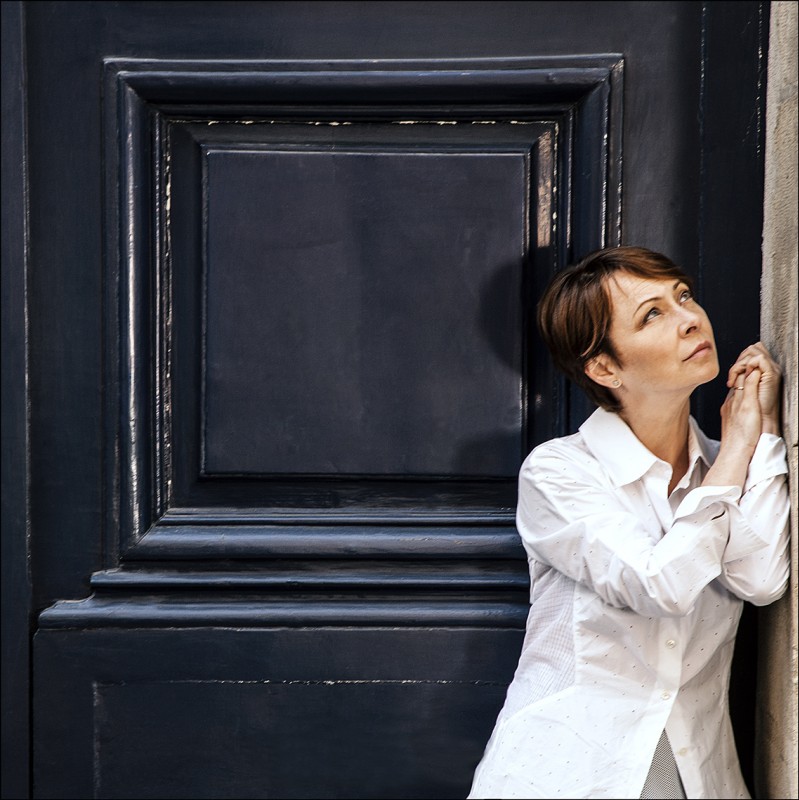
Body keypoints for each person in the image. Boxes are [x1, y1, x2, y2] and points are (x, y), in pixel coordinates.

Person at [468, 246, 790, 799]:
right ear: (604, 367)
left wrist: (756, 438)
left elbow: (761, 580)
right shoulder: (560, 474)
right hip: (566, 774)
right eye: (653, 315)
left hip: (698, 777)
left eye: (682, 295)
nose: (690, 318)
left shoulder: (725, 464)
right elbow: (658, 583)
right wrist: (739, 448)